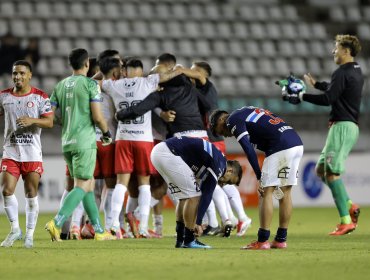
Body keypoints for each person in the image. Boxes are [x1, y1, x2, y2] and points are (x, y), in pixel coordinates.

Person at [281, 34, 363, 235]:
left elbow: (328, 99)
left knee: (332, 173)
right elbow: (337, 90)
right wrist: (316, 85)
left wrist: (300, 96)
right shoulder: (356, 70)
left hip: (342, 127)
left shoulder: (341, 72)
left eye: (336, 47)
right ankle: (351, 206)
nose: (333, 51)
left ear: (346, 50)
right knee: (320, 170)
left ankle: (346, 221)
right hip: (345, 126)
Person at [100, 57, 182, 238]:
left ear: (125, 70)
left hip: (123, 138)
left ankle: (113, 224)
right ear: (141, 69)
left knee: (121, 183)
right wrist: (181, 69)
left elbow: (97, 81)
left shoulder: (115, 85)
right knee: (144, 184)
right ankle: (143, 226)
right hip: (143, 140)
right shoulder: (149, 82)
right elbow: (168, 75)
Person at [45, 48, 115, 241]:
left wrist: (67, 120)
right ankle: (56, 223)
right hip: (85, 142)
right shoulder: (91, 85)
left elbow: (51, 117)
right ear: (86, 64)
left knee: (88, 186)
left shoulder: (60, 86)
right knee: (82, 186)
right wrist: (107, 133)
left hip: (67, 142)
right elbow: (98, 116)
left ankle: (99, 231)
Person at [210, 107, 304, 249]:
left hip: (280, 146)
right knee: (285, 193)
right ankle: (280, 239)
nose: (225, 135)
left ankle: (262, 241)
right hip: (295, 143)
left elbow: (248, 149)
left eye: (221, 131)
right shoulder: (245, 112)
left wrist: (259, 176)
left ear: (222, 119)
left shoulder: (232, 120)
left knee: (265, 193)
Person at [150, 136, 242, 248]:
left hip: (160, 152)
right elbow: (206, 195)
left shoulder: (215, 160)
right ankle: (189, 240)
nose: (224, 184)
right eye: (229, 181)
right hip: (168, 153)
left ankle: (181, 239)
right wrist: (198, 222)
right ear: (230, 171)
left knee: (184, 197)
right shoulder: (220, 165)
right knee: (193, 196)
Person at [0, 60, 54, 248]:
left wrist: (32, 120)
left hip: (32, 152)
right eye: (15, 73)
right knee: (6, 190)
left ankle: (29, 234)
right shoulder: (4, 96)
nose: (18, 77)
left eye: (22, 73)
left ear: (30, 75)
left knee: (31, 194)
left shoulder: (40, 97)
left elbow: (49, 122)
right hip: (11, 150)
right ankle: (15, 229)